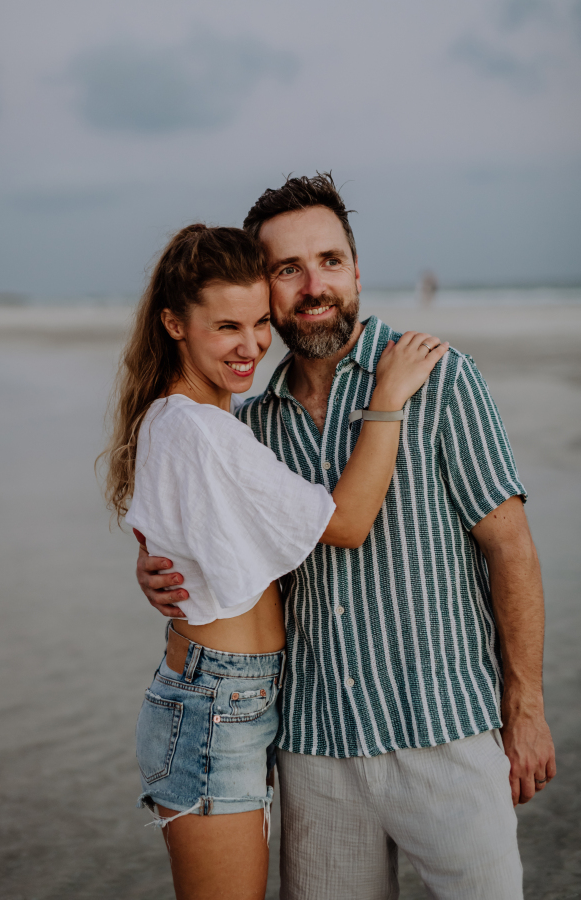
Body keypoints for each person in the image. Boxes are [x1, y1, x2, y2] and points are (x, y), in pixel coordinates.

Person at [137, 175, 557, 900]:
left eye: (329, 261)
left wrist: (525, 709)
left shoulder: (440, 377)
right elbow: (221, 548)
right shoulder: (252, 424)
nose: (313, 285)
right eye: (288, 269)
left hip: (445, 733)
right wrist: (155, 569)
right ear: (262, 288)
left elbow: (510, 548)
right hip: (313, 749)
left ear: (357, 271)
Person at [100, 222, 446, 900]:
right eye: (227, 326)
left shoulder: (188, 421)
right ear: (174, 323)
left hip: (231, 697)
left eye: (261, 321)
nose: (253, 344)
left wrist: (155, 569)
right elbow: (345, 523)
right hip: (215, 705)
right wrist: (388, 399)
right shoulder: (199, 429)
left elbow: (186, 542)